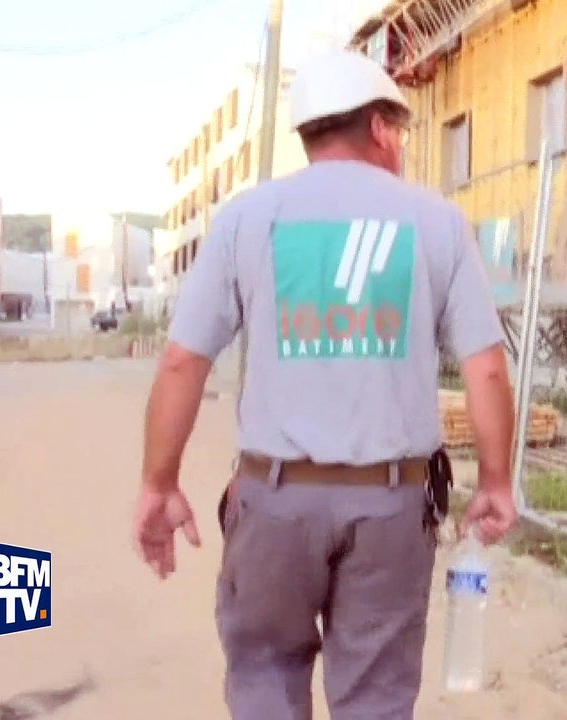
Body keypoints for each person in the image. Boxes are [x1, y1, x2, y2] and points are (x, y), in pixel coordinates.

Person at [131, 48, 518, 719]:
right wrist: (494, 482)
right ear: (377, 128)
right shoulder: (436, 223)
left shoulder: (247, 219)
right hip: (391, 510)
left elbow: (181, 364)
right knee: (374, 697)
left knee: (264, 677)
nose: (399, 144)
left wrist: (159, 485)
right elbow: (485, 366)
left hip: (274, 503)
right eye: (397, 130)